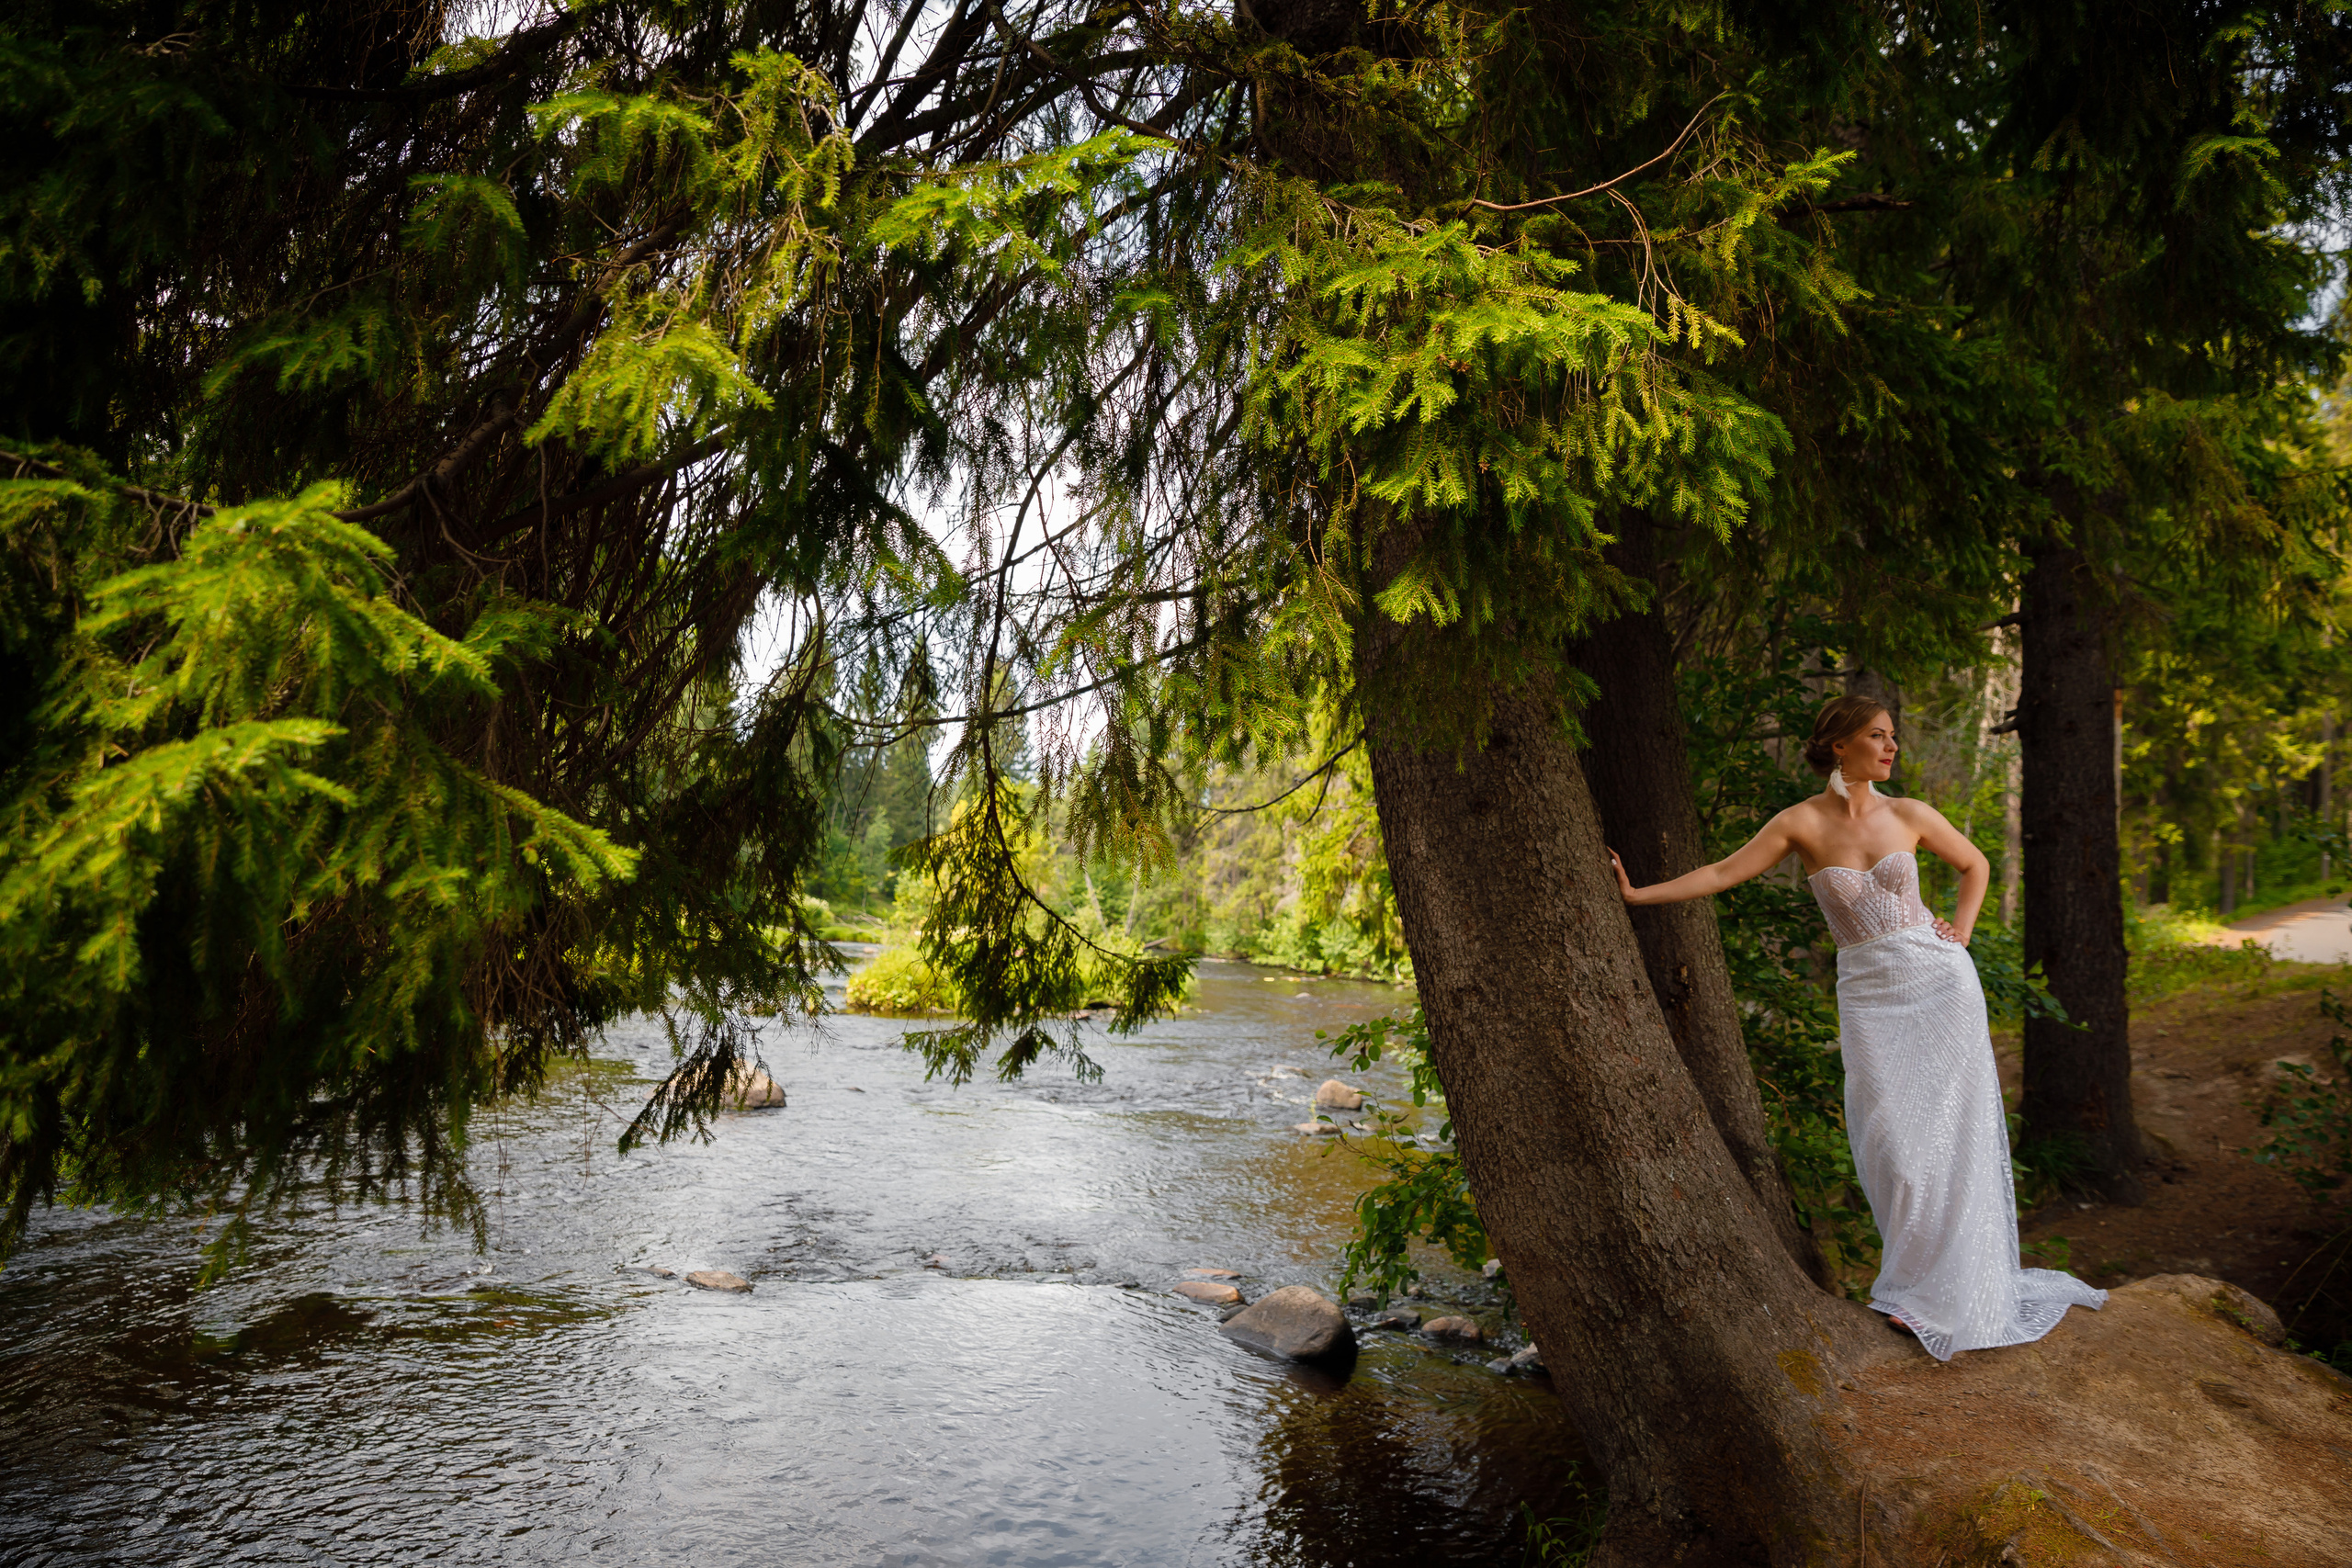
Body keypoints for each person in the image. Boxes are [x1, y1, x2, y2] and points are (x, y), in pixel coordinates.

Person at [1609, 693, 2105, 1359]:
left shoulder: (1911, 813)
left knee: (1954, 1135)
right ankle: (1915, 1282)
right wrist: (1639, 895)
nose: (1891, 746)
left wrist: (1961, 929)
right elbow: (1725, 871)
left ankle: (1938, 1295)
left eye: (1893, 735)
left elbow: (1975, 864)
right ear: (1840, 744)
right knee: (1895, 1144)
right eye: (1878, 735)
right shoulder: (1799, 823)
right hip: (1871, 994)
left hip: (1940, 984)